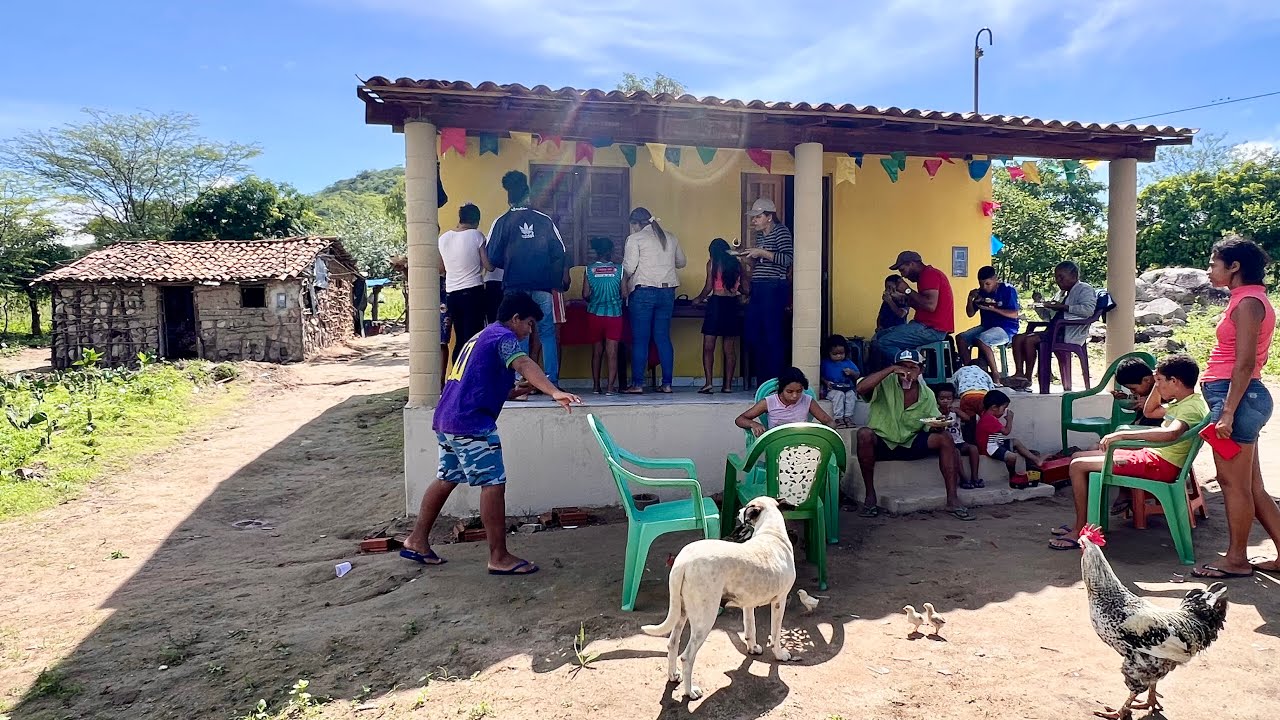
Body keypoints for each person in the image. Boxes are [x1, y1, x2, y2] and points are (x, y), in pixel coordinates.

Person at [401, 292, 583, 575]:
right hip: (471, 424)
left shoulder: (480, 336)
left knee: (446, 478)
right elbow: (523, 363)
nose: (529, 331)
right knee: (493, 484)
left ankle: (416, 540)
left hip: (448, 419)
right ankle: (498, 556)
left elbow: (478, 382)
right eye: (529, 324)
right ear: (516, 319)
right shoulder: (504, 338)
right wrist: (554, 391)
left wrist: (517, 390)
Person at [1049, 354, 1209, 551]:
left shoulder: (1189, 407)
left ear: (1174, 381)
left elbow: (1171, 433)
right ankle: (1088, 522)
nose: (1156, 386)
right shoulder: (1185, 402)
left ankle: (1081, 527)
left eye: (1159, 381)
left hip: (1158, 465)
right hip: (1153, 459)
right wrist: (1159, 384)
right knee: (1077, 457)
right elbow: (1150, 412)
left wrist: (1122, 436)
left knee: (1077, 466)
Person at [1190, 236, 1280, 579]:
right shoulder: (1249, 299)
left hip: (1237, 399)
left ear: (1235, 267)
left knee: (1233, 486)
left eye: (1214, 264)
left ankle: (1237, 560)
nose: (1210, 270)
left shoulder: (1248, 304)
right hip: (1240, 397)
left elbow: (1243, 364)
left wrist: (1226, 413)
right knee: (1252, 487)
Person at [854, 349, 974, 521]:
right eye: (902, 367)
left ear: (921, 370)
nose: (907, 372)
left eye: (913, 367)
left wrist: (937, 426)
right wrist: (890, 370)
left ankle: (952, 499)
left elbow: (932, 422)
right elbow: (860, 388)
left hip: (911, 442)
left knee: (945, 438)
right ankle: (870, 495)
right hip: (884, 442)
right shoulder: (884, 383)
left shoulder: (927, 395)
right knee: (864, 434)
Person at [484, 170, 567, 385]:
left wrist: (511, 263)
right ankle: (551, 381)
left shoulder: (501, 222)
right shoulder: (544, 220)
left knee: (519, 333)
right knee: (547, 332)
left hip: (514, 287)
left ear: (508, 196)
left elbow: (492, 257)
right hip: (542, 286)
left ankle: (521, 380)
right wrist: (551, 276)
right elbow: (560, 252)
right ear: (528, 195)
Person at [623, 207, 686, 394]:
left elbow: (629, 267)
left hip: (643, 292)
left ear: (636, 223)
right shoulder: (670, 237)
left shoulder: (635, 239)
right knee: (663, 338)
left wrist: (623, 284)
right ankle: (667, 384)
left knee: (640, 339)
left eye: (632, 225)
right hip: (667, 293)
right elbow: (681, 262)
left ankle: (638, 384)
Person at [1008, 261, 1096, 386]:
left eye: (1061, 277)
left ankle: (1027, 378)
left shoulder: (1084, 289)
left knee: (1029, 340)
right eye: (1056, 278)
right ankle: (1019, 373)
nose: (1058, 281)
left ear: (1074, 275)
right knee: (1017, 338)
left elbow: (1088, 310)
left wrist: (1063, 307)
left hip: (1067, 332)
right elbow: (1048, 317)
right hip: (1053, 330)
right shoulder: (1061, 293)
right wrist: (1040, 304)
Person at [740, 198, 794, 386]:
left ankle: (775, 381)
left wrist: (762, 253)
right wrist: (749, 259)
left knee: (773, 334)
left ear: (769, 217)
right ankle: (763, 381)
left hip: (774, 287)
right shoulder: (761, 237)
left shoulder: (781, 232)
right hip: (760, 286)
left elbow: (787, 259)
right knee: (755, 333)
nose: (754, 220)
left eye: (758, 217)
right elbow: (762, 263)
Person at [874, 251, 955, 368]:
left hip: (932, 329)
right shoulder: (925, 276)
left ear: (911, 264)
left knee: (883, 343)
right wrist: (905, 298)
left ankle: (911, 367)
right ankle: (907, 364)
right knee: (880, 335)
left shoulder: (929, 275)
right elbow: (923, 305)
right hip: (925, 326)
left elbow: (930, 305)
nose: (903, 275)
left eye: (902, 270)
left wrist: (908, 290)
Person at [439, 203, 493, 361]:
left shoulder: (443, 238)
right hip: (473, 293)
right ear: (476, 220)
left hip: (452, 295)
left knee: (460, 337)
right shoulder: (476, 236)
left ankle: (457, 377)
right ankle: (471, 378)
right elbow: (488, 266)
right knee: (474, 339)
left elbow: (441, 268)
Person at [693, 238, 743, 393]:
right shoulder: (736, 263)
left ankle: (708, 383)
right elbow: (743, 285)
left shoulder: (712, 263)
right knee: (729, 349)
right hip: (732, 304)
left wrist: (698, 299)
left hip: (716, 304)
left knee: (708, 347)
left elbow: (709, 286)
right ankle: (727, 386)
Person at [736, 366, 834, 437]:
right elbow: (740, 419)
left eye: (799, 391)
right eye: (789, 391)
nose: (795, 396)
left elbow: (829, 421)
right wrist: (754, 424)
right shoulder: (769, 402)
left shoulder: (807, 401)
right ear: (781, 389)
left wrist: (822, 433)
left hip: (801, 443)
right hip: (776, 444)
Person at [957, 266, 1020, 373]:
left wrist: (992, 309)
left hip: (1006, 328)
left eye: (987, 284)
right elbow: (970, 313)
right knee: (961, 338)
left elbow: (1014, 314)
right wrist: (970, 299)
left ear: (995, 279)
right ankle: (971, 371)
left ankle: (996, 376)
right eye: (981, 284)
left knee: (982, 339)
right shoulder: (981, 293)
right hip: (987, 326)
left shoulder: (1008, 290)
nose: (984, 287)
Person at [976, 390, 1045, 487]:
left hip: (995, 443)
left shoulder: (986, 415)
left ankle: (1036, 460)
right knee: (1013, 457)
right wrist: (1010, 420)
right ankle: (1013, 476)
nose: (1004, 412)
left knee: (1015, 442)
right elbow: (1006, 431)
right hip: (990, 448)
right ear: (994, 407)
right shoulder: (989, 419)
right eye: (1004, 409)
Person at [583, 236, 624, 395]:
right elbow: (625, 292)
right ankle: (609, 388)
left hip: (594, 314)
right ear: (611, 251)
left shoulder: (589, 269)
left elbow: (585, 294)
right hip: (614, 315)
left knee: (597, 352)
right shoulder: (620, 270)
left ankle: (595, 387)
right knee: (612, 352)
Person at [933, 383, 982, 489]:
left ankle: (975, 477)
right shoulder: (935, 411)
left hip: (960, 442)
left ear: (953, 399)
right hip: (948, 445)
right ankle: (964, 478)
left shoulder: (955, 411)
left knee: (973, 448)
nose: (945, 401)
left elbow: (967, 419)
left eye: (948, 398)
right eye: (942, 398)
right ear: (936, 399)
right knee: (956, 452)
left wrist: (957, 411)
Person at [820, 334, 861, 428]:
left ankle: (848, 417)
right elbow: (821, 376)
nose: (838, 356)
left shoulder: (848, 362)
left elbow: (857, 374)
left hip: (848, 387)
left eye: (841, 353)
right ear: (828, 352)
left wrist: (851, 372)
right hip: (832, 389)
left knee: (851, 395)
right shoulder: (825, 363)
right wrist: (826, 382)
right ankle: (838, 418)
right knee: (839, 395)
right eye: (835, 354)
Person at [1114, 357, 1164, 427]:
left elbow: (1175, 407)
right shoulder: (1146, 389)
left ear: (1147, 380)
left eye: (1133, 389)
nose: (1132, 392)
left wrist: (1151, 405)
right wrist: (1126, 397)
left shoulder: (1165, 386)